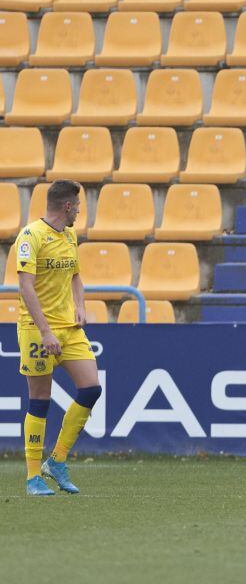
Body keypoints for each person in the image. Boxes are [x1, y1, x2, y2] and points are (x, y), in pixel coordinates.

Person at [16, 180, 102, 496]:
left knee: (91, 388)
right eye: (77, 206)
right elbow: (25, 287)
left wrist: (80, 306)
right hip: (38, 330)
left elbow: (76, 276)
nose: (79, 211)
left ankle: (58, 460)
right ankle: (32, 476)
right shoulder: (30, 236)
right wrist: (45, 331)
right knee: (40, 400)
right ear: (67, 206)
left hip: (69, 328)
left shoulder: (69, 236)